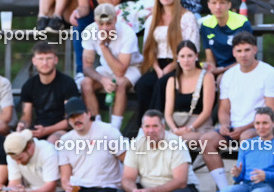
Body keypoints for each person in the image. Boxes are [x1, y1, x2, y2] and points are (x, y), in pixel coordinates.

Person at [199, 32, 274, 191]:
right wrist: (224, 125)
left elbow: (272, 112)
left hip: (261, 130)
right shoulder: (229, 76)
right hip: (233, 131)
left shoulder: (270, 73)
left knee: (246, 137)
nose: (243, 55)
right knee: (206, 141)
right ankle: (224, 190)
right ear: (233, 53)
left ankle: (243, 184)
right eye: (239, 51)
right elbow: (224, 109)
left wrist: (243, 129)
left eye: (247, 50)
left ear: (255, 50)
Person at [135, 0, 199, 128]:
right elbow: (149, 48)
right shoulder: (153, 18)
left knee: (161, 84)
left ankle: (156, 126)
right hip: (158, 64)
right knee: (142, 85)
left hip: (181, 64)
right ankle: (142, 128)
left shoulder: (187, 18)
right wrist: (158, 69)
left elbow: (192, 48)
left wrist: (172, 66)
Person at [79, 3, 143, 130]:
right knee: (85, 83)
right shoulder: (89, 31)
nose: (105, 28)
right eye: (101, 24)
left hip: (132, 67)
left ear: (115, 20)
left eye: (109, 24)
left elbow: (120, 72)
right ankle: (97, 125)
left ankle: (115, 129)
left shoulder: (127, 33)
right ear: (95, 21)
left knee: (120, 83)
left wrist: (103, 46)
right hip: (107, 68)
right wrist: (102, 79)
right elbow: (87, 66)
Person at [164, 40, 218, 174]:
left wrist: (190, 128)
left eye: (189, 56)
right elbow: (168, 113)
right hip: (177, 126)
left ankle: (181, 175)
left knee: (175, 142)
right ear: (177, 58)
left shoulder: (207, 77)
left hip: (199, 126)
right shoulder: (172, 80)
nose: (186, 60)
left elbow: (207, 111)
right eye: (182, 56)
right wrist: (175, 129)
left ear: (196, 56)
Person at [16, 41, 79, 145]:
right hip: (38, 129)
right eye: (41, 59)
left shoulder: (67, 83)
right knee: (17, 143)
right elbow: (26, 116)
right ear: (34, 61)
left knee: (52, 142)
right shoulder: (29, 85)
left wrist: (47, 130)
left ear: (56, 60)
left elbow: (71, 119)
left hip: (62, 131)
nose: (45, 63)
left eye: (48, 58)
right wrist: (22, 125)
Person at [200, 0, 253, 78]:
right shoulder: (205, 25)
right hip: (219, 69)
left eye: (222, 3)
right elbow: (210, 59)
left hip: (241, 68)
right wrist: (210, 68)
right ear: (208, 5)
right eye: (214, 3)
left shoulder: (242, 23)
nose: (218, 7)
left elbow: (246, 57)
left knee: (221, 79)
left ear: (229, 5)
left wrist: (221, 70)